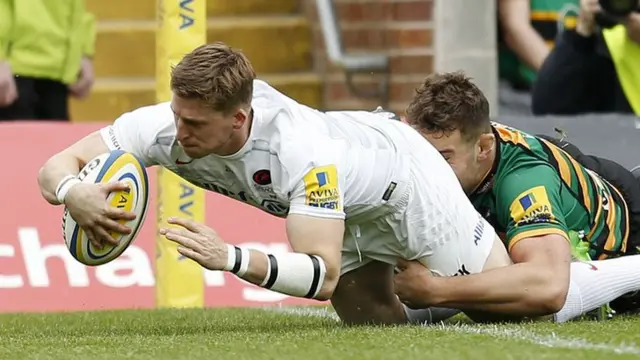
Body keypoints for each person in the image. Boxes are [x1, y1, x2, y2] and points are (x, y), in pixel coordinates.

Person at [36, 42, 511, 326]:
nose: (179, 135)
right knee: (377, 328)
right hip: (347, 208)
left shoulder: (300, 152)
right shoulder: (163, 124)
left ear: (239, 118)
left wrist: (231, 259)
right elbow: (58, 163)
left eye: (196, 125)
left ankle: (581, 272)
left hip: (405, 182)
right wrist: (71, 192)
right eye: (178, 116)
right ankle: (427, 293)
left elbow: (321, 276)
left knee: (515, 305)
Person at [395, 71, 640, 323]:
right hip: (572, 174)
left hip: (629, 227)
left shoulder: (525, 181)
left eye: (444, 158)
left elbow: (550, 287)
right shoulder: (438, 157)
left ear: (483, 147)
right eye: (422, 155)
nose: (429, 169)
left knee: (533, 304)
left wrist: (436, 290)